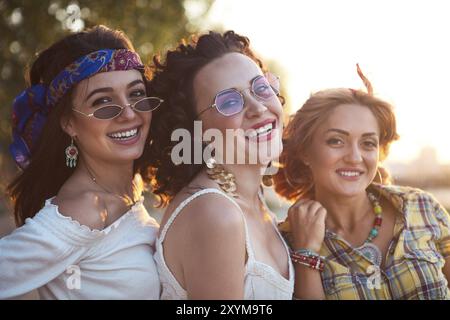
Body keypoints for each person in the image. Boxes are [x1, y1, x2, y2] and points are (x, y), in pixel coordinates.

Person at [0, 25, 164, 299]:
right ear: (68, 123)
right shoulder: (85, 209)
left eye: (136, 94)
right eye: (102, 101)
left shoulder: (126, 192)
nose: (128, 113)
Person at [275, 65, 450, 299]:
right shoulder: (285, 242)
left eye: (368, 143)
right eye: (336, 141)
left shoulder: (422, 207)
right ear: (306, 152)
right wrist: (306, 254)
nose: (355, 157)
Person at [147, 31, 294, 299]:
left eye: (260, 87)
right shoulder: (214, 214)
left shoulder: (254, 202)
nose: (258, 108)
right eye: (229, 101)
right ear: (197, 130)